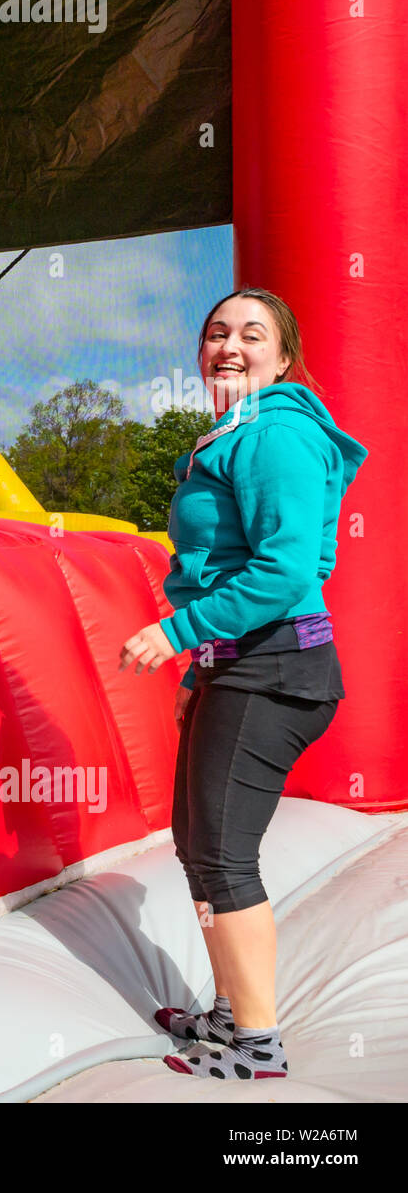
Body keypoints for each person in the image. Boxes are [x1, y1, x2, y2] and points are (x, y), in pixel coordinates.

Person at [117, 287, 368, 1079]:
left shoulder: (278, 431)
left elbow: (284, 569)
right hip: (240, 665)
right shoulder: (236, 431)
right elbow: (219, 566)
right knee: (199, 849)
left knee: (224, 856)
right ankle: (230, 1009)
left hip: (278, 666)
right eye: (215, 331)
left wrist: (175, 633)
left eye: (251, 334)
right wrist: (203, 665)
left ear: (283, 357)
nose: (229, 344)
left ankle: (257, 1046)